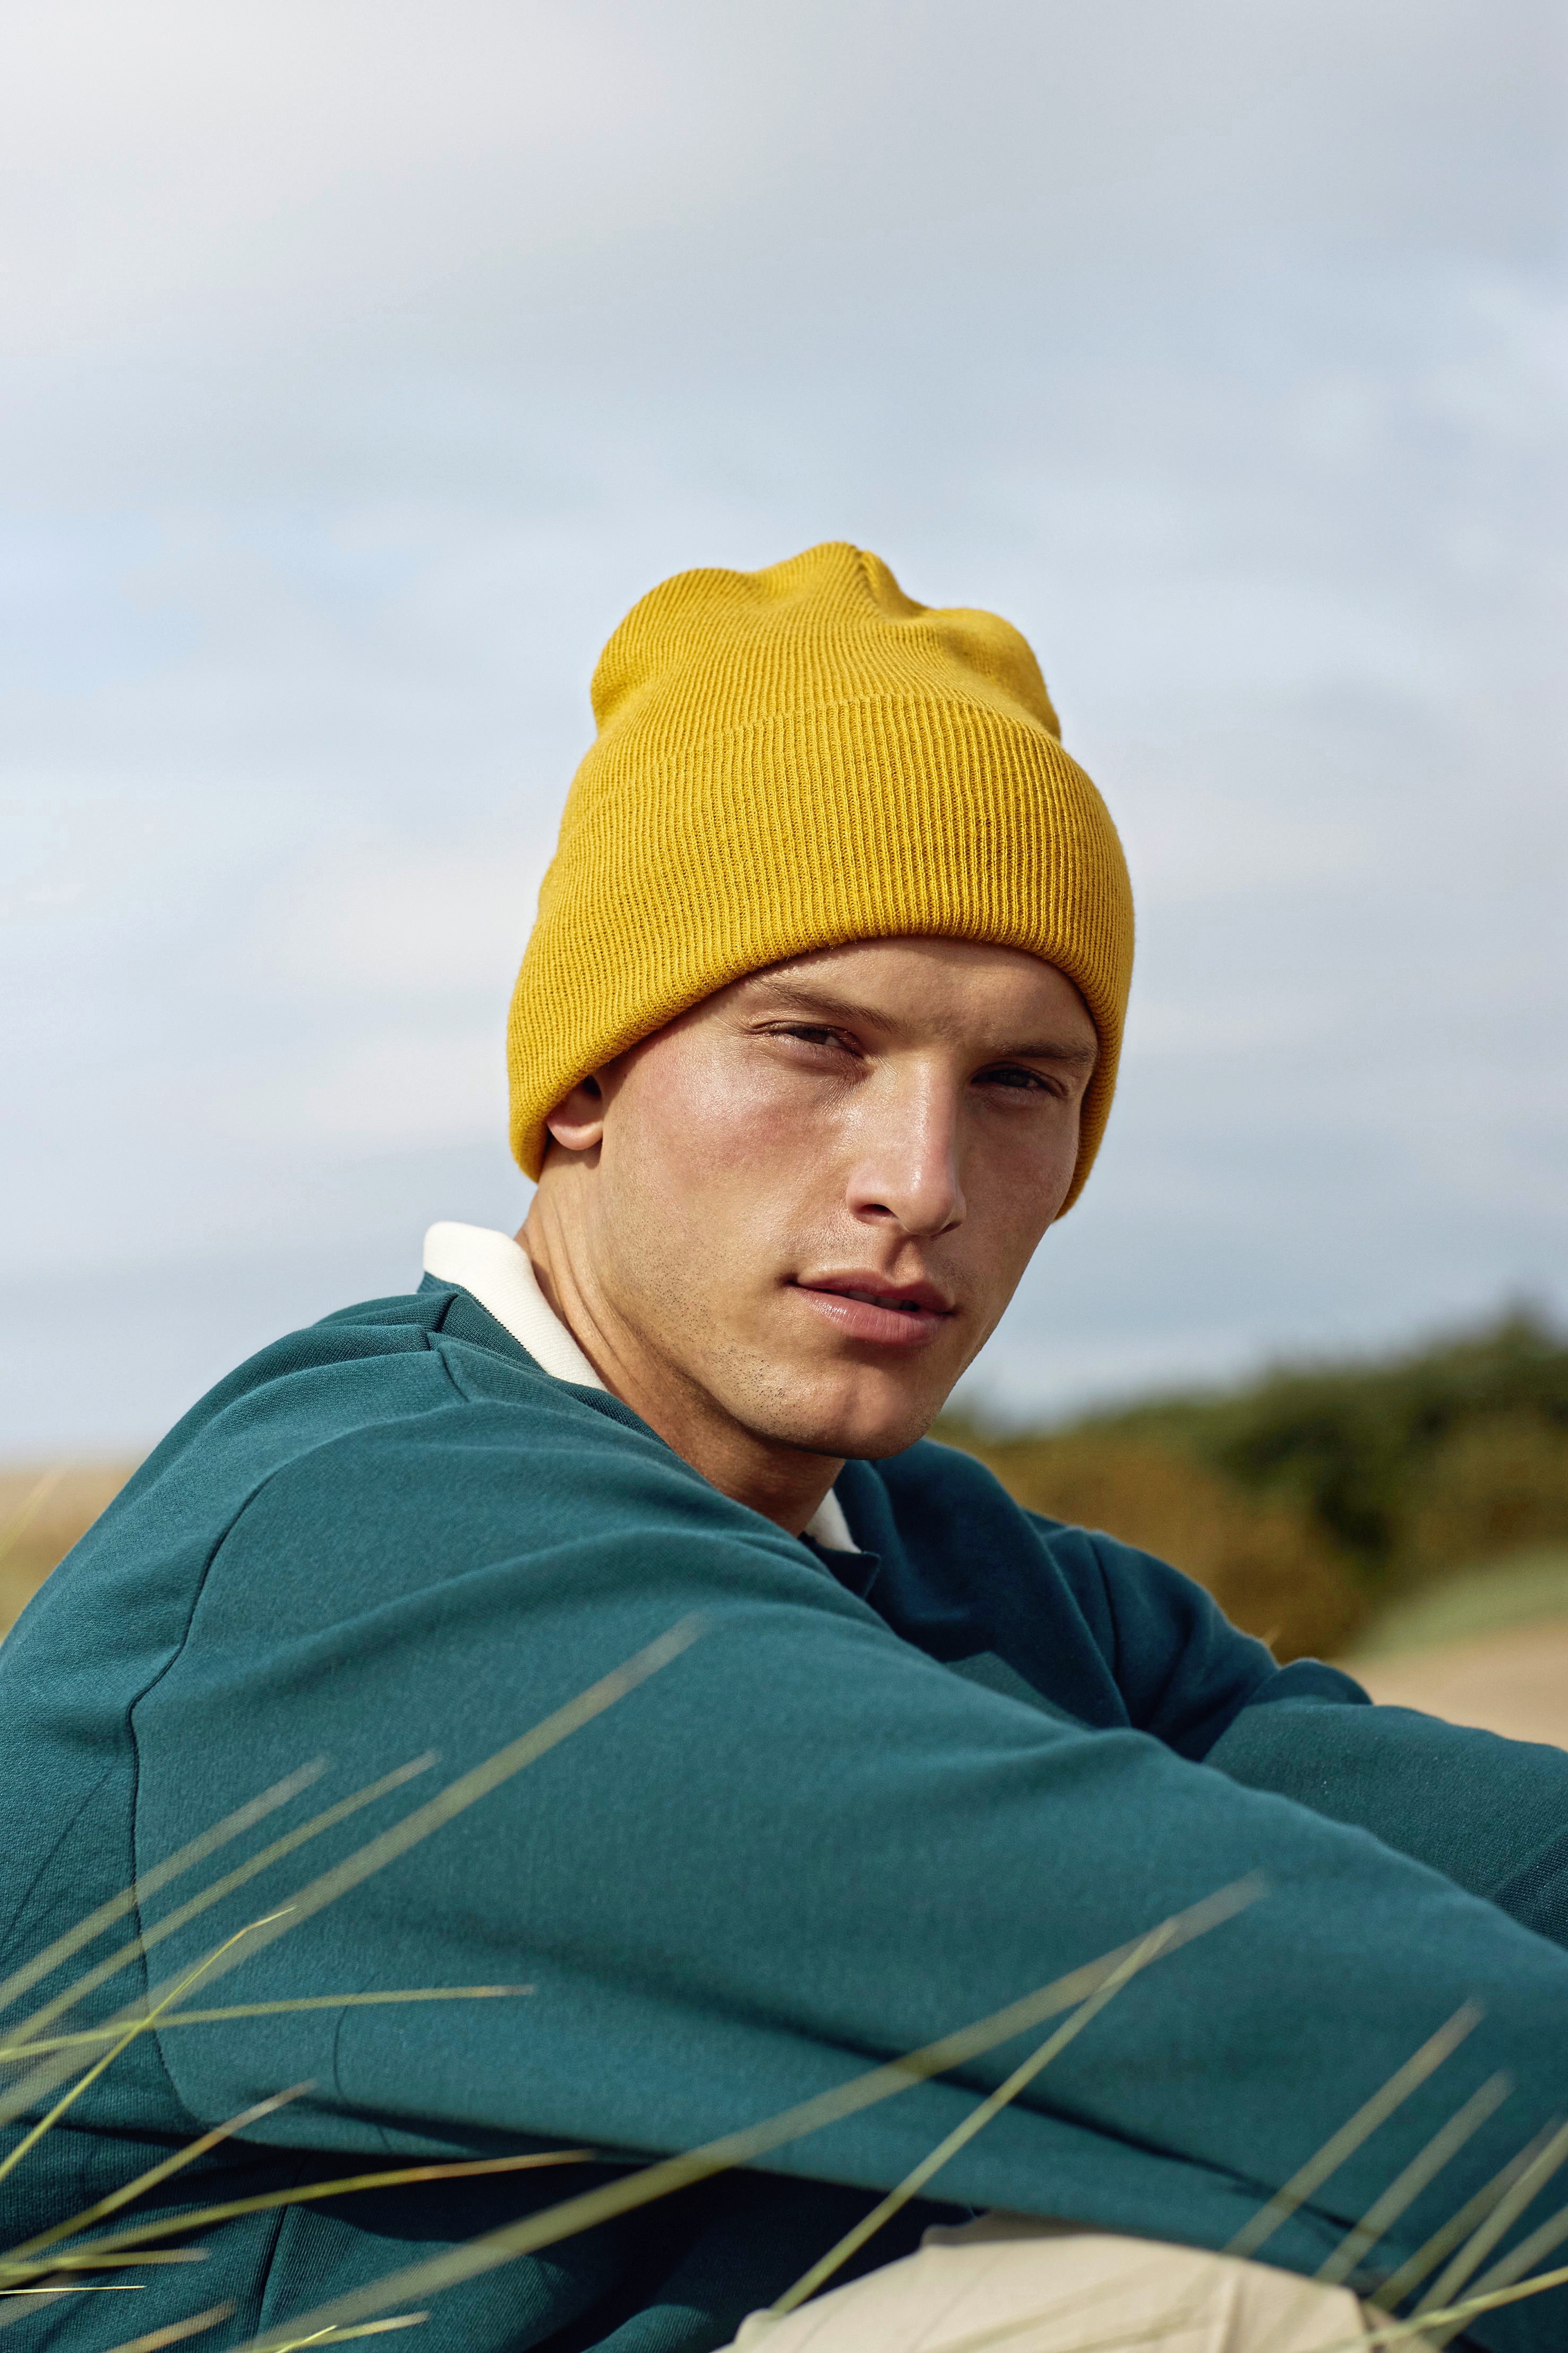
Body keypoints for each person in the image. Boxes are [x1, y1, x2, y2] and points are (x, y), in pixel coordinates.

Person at [3, 543, 1566, 2353]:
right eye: (816, 1043)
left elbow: (1500, 1868)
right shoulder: (376, 1564)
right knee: (1258, 2298)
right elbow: (1386, 2058)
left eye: (1019, 1082)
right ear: (584, 1084)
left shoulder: (959, 1574)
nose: (922, 1180)